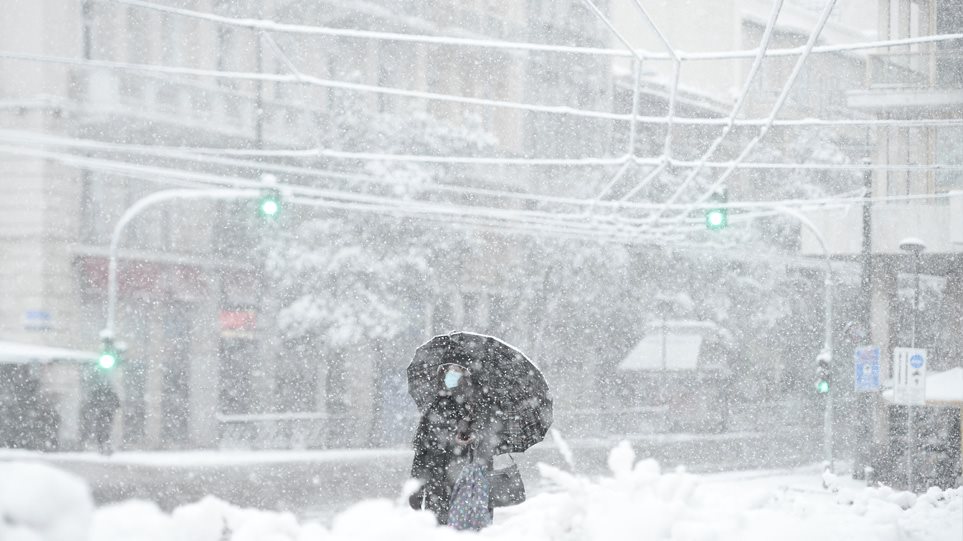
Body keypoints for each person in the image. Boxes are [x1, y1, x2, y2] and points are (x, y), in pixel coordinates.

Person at [408, 362, 497, 525]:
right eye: (448, 370)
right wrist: (416, 490)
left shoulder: (477, 406)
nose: (452, 374)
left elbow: (487, 452)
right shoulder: (434, 407)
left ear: (466, 375)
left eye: (457, 370)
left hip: (468, 492)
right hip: (437, 489)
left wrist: (472, 439)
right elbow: (422, 451)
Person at [81, 376, 120, 454]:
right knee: (105, 431)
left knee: (103, 431)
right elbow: (117, 404)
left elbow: (91, 403)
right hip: (104, 414)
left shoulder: (98, 393)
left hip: (103, 414)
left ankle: (103, 446)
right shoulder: (105, 393)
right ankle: (104, 445)